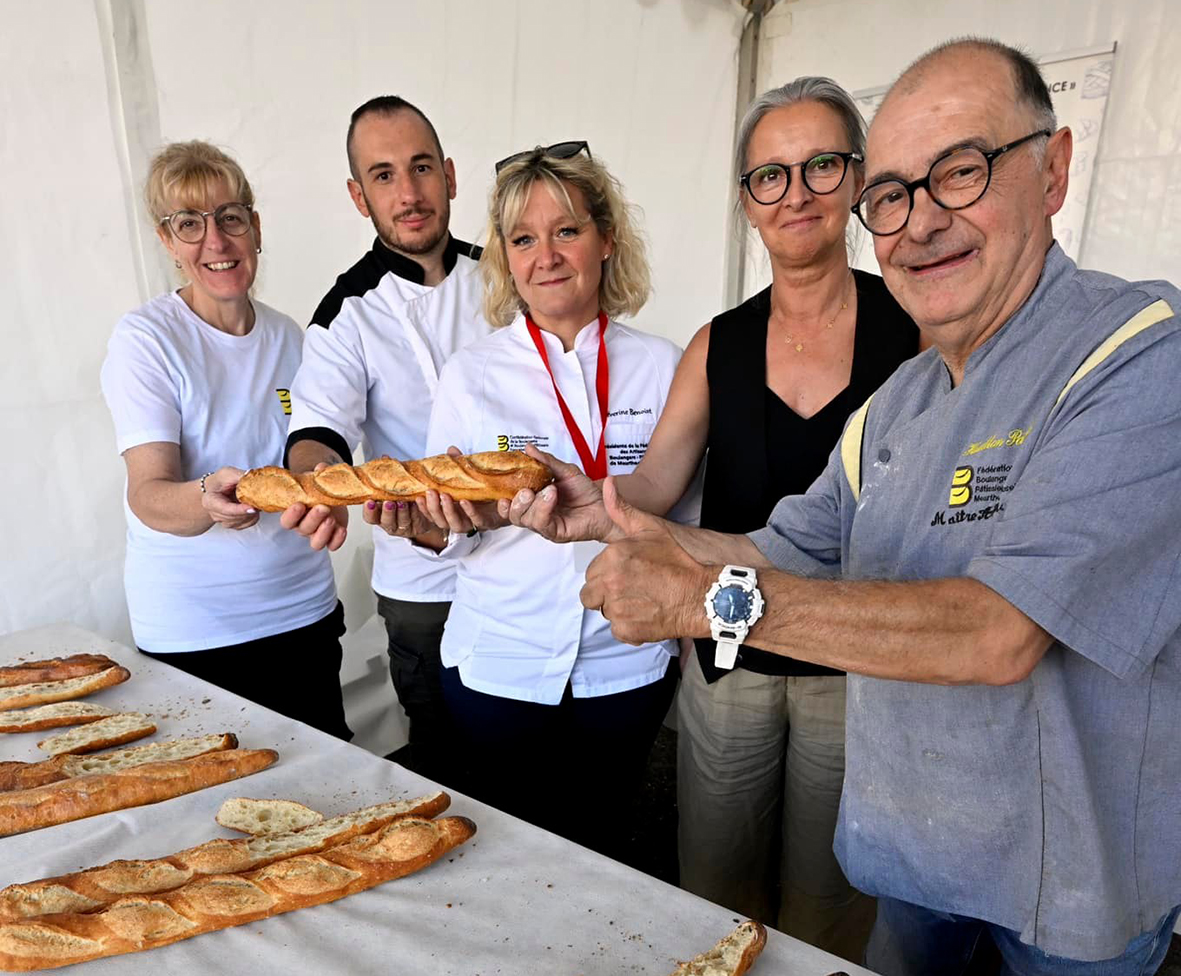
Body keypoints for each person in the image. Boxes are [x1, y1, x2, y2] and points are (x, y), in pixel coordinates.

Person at [512, 38, 1181, 976]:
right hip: (915, 864)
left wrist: (707, 604)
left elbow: (997, 634)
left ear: (1054, 168)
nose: (920, 222)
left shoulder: (1136, 354)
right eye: (895, 196)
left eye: (961, 171)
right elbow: (773, 546)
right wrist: (611, 518)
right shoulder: (894, 407)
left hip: (1065, 895)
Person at [575, 78, 914, 958]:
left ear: (857, 178)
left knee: (835, 900)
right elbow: (652, 486)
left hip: (861, 665)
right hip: (729, 658)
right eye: (770, 174)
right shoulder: (716, 343)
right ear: (745, 201)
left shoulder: (913, 329)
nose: (794, 192)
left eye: (818, 167)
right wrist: (584, 499)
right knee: (715, 894)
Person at [414, 144, 686, 858]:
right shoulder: (469, 373)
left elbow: (687, 524)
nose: (546, 255)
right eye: (523, 238)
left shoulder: (665, 368)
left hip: (623, 664)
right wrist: (433, 522)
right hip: (499, 663)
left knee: (603, 842)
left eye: (566, 230)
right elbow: (446, 527)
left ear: (606, 239)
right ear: (505, 257)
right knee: (509, 854)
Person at [100, 141, 351, 740]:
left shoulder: (294, 339)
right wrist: (208, 497)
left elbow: (314, 457)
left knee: (329, 786)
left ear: (255, 228)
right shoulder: (147, 340)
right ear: (168, 243)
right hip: (198, 630)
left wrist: (329, 493)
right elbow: (149, 495)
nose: (216, 241)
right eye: (189, 223)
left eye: (230, 218)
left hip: (304, 613)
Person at [281, 96, 489, 781]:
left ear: (451, 175)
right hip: (425, 585)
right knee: (450, 766)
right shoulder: (345, 313)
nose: (408, 193)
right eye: (383, 175)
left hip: (525, 564)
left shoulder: (506, 277)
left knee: (535, 762)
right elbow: (317, 433)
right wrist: (316, 481)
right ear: (357, 195)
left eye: (421, 167)